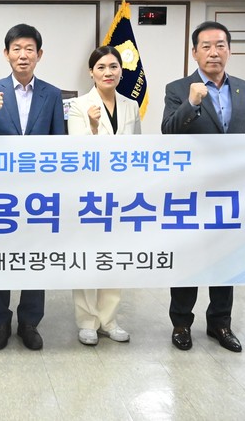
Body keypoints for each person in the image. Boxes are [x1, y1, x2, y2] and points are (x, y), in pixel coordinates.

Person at [162, 20, 245, 353]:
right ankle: (181, 323)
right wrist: (191, 104)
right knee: (188, 258)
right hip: (190, 191)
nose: (214, 52)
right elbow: (168, 132)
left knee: (226, 258)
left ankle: (220, 323)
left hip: (230, 192)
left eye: (220, 45)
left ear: (230, 50)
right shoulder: (178, 89)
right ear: (194, 52)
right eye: (206, 46)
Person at [0, 23, 65, 350]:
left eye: (29, 49)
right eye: (16, 49)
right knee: (0, 256)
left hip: (38, 193)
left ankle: (29, 322)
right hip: (0, 193)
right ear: (6, 54)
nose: (23, 55)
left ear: (39, 55)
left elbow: (59, 144)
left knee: (34, 257)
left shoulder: (52, 94)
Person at [68, 45, 140, 346]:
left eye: (113, 66)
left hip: (122, 194)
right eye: (101, 67)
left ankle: (109, 319)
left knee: (114, 256)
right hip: (89, 194)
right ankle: (87, 320)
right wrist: (94, 127)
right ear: (91, 72)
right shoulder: (78, 105)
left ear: (121, 70)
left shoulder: (131, 105)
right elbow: (78, 152)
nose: (108, 72)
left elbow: (137, 149)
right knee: (86, 256)